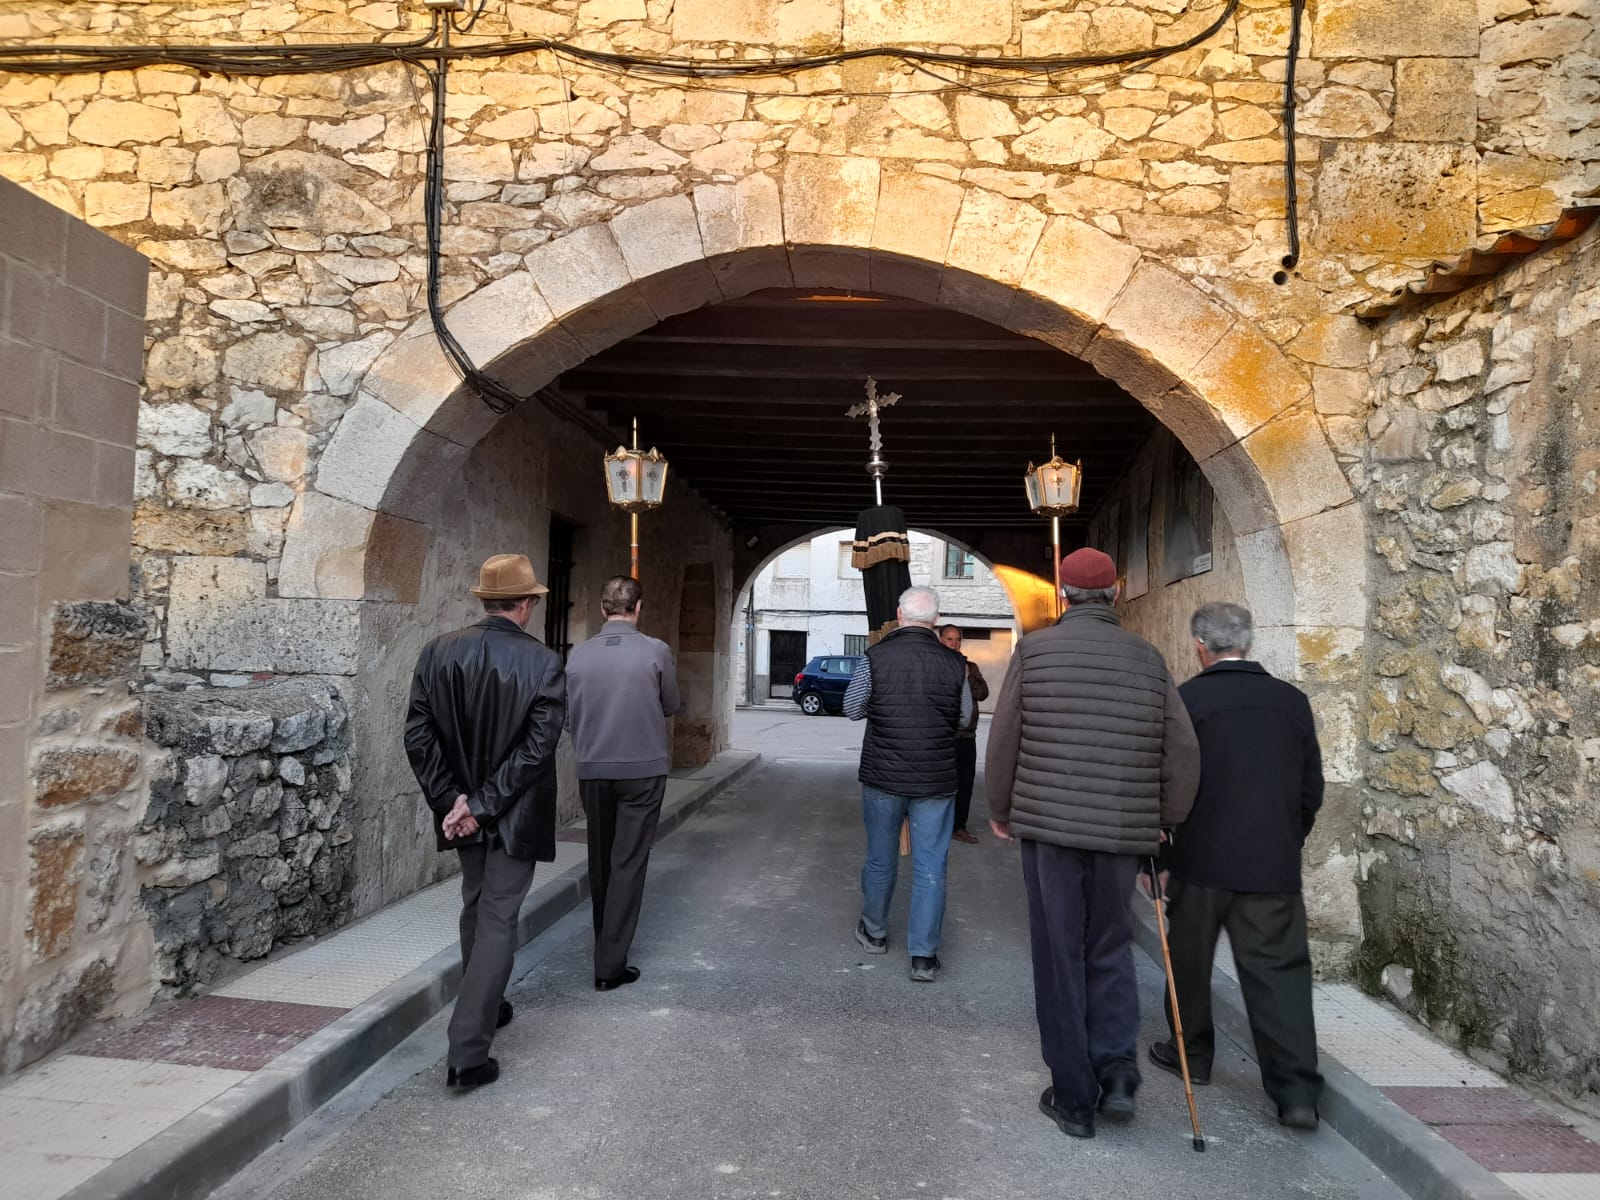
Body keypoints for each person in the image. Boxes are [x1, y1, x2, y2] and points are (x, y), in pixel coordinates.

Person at [986, 547, 1200, 1139]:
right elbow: (1181, 751)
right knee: (1109, 947)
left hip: (1049, 831)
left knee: (1059, 956)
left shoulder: (1034, 652)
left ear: (1062, 593)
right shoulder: (1148, 658)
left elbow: (1004, 739)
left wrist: (1000, 809)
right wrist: (1166, 817)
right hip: (1119, 830)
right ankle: (1119, 1071)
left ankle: (1075, 1099)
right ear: (1116, 592)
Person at [1151, 602, 1325, 1130]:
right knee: (1280, 976)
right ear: (1248, 644)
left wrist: (1160, 853)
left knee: (1188, 962)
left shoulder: (1187, 700)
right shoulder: (1291, 702)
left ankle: (1194, 1057)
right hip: (1270, 864)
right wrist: (1286, 840)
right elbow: (1309, 789)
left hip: (1200, 860)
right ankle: (1296, 1093)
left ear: (1199, 646)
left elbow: (1170, 782)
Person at [404, 553, 566, 1090]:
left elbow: (418, 736)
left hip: (464, 812)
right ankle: (468, 1053)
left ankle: (487, 1002)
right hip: (511, 813)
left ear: (485, 600)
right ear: (525, 604)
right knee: (496, 917)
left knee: (476, 907)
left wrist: (453, 800)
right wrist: (479, 805)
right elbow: (536, 751)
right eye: (533, 602)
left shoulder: (437, 652)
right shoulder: (543, 663)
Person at [843, 586, 973, 983]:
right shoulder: (955, 663)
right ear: (934, 620)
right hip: (936, 777)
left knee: (881, 857)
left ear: (899, 615)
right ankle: (923, 956)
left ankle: (875, 932)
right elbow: (965, 719)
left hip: (884, 776)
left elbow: (851, 708)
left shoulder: (875, 658)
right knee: (931, 865)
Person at [565, 576, 681, 992]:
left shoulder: (578, 656)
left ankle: (603, 944)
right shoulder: (656, 651)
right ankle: (610, 963)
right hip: (642, 769)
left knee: (600, 859)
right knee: (628, 861)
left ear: (602, 609)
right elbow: (670, 705)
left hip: (594, 766)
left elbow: (567, 718)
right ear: (638, 608)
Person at [938, 624, 990, 844]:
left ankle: (959, 826)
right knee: (941, 785)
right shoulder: (937, 666)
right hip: (944, 737)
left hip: (967, 738)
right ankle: (938, 826)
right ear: (941, 641)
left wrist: (969, 676)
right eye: (950, 639)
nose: (954, 643)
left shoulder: (971, 666)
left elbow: (983, 693)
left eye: (957, 639)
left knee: (965, 784)